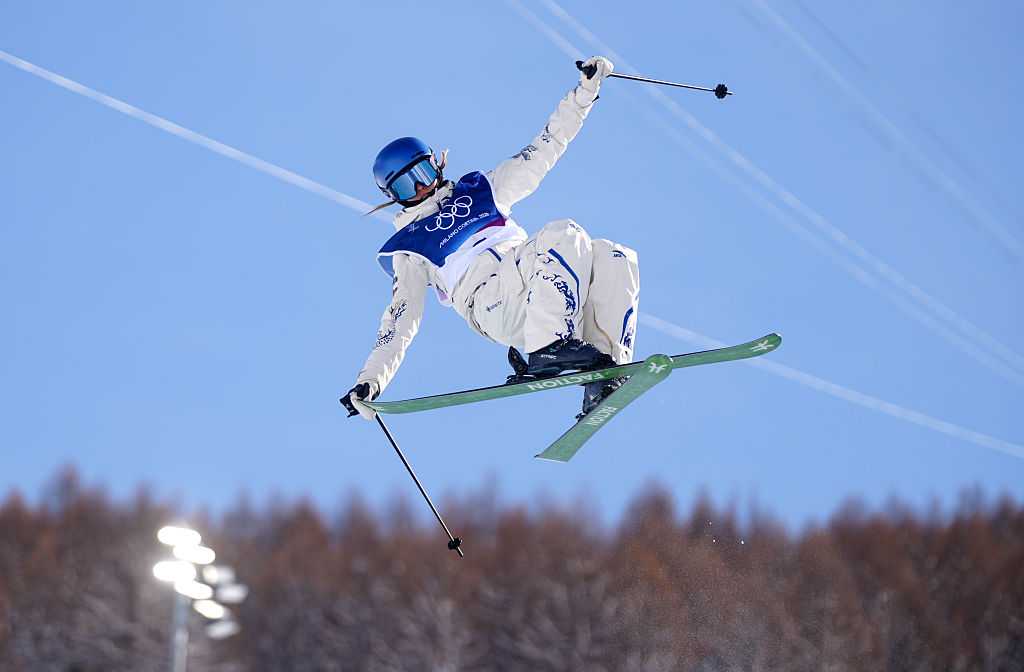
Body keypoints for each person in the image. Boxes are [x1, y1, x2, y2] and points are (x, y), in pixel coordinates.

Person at [341, 56, 639, 422]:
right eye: (406, 184)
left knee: (614, 256)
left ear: (436, 164)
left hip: (539, 287)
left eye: (421, 172)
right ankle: (549, 347)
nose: (420, 186)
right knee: (565, 232)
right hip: (492, 304)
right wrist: (371, 380)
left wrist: (584, 93)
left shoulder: (482, 190)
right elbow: (401, 319)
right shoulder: (411, 245)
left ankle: (605, 376)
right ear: (394, 196)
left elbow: (545, 147)